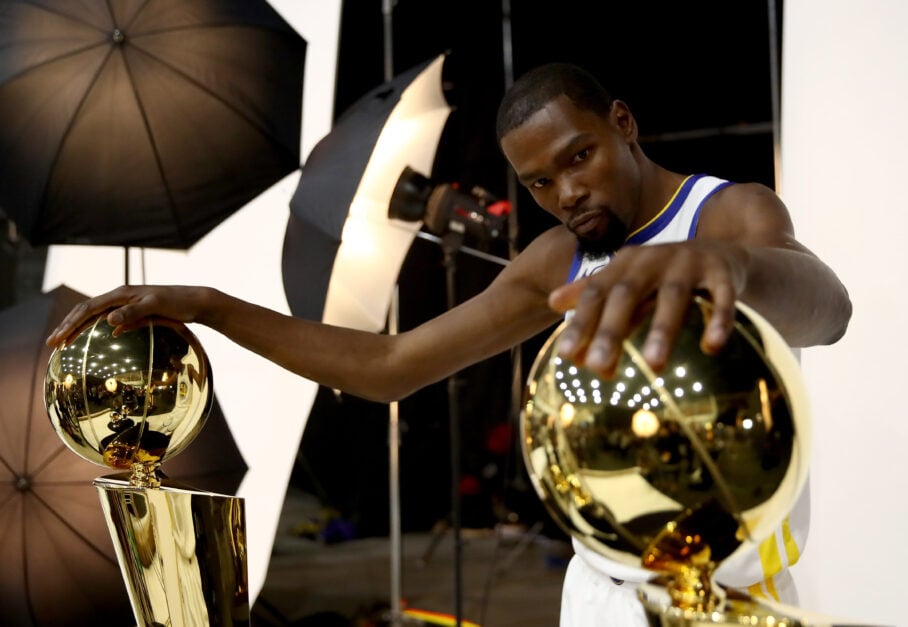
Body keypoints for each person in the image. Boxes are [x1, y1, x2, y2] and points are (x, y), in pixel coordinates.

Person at [46, 62, 851, 626]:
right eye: (539, 182)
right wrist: (213, 306)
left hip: (730, 591)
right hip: (603, 593)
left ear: (623, 124)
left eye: (579, 157)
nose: (568, 192)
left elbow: (830, 308)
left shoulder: (727, 215)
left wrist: (729, 266)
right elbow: (391, 366)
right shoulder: (559, 258)